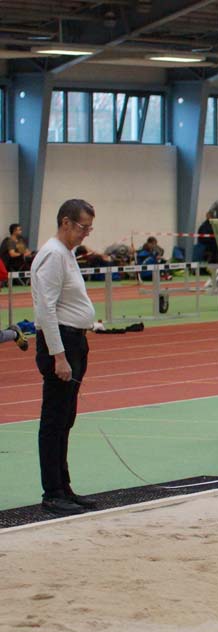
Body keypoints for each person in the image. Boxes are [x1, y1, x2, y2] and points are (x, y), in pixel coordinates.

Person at [31, 199, 99, 516]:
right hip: (60, 343)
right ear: (66, 222)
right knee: (54, 420)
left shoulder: (67, 253)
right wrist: (59, 355)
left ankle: (64, 486)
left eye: (89, 228)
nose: (86, 233)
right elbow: (46, 309)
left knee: (66, 419)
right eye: (83, 227)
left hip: (75, 340)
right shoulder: (53, 255)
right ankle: (52, 492)